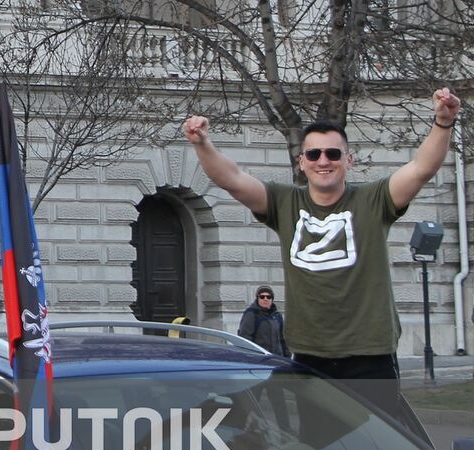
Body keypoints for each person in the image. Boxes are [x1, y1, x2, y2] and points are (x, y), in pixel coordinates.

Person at [183, 88, 461, 423]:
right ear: (302, 162)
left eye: (332, 153)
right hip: (311, 356)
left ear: (348, 160)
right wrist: (201, 143)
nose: (323, 161)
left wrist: (443, 122)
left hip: (369, 356)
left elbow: (420, 169)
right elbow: (232, 179)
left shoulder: (374, 201)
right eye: (313, 155)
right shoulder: (285, 203)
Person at [238, 286, 289, 357]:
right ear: (258, 298)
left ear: (272, 299)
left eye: (269, 297)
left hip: (277, 358)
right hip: (260, 359)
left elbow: (283, 339)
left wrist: (287, 357)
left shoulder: (277, 316)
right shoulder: (251, 314)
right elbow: (245, 337)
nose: (265, 299)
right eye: (262, 297)